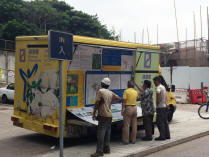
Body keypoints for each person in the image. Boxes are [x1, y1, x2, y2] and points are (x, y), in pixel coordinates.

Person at [91, 78, 121, 157]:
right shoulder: (110, 92)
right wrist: (111, 103)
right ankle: (107, 149)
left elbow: (97, 102)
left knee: (101, 133)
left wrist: (94, 113)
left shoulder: (100, 91)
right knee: (108, 132)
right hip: (109, 115)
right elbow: (118, 98)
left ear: (101, 84)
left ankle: (99, 151)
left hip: (103, 115)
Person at [153, 76, 170, 141]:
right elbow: (166, 97)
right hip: (164, 106)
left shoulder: (158, 87)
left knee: (160, 122)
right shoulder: (163, 87)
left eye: (154, 81)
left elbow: (158, 93)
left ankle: (162, 136)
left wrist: (157, 102)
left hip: (160, 107)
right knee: (165, 121)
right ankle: (167, 135)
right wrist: (166, 104)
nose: (154, 83)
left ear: (157, 81)